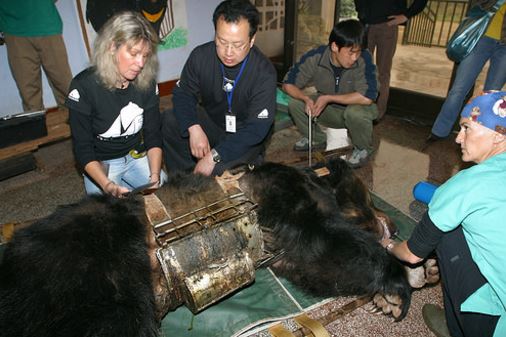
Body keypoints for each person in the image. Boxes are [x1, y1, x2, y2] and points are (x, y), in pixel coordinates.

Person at [383, 91, 506, 337]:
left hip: (497, 326)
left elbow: (412, 254)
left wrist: (387, 245)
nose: (458, 138)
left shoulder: (465, 184)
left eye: (466, 128)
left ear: (497, 134)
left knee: (445, 233)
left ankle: (459, 323)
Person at [162, 0, 277, 176]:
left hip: (244, 134)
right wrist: (193, 128)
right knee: (170, 121)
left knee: (221, 172)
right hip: (213, 123)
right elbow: (183, 93)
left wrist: (214, 157)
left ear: (252, 40)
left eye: (238, 45)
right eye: (222, 41)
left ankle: (241, 164)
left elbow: (256, 129)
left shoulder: (264, 72)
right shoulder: (201, 56)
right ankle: (185, 180)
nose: (228, 52)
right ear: (215, 33)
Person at [66, 11, 166, 197]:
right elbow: (83, 149)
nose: (141, 63)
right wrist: (107, 185)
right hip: (102, 162)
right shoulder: (83, 87)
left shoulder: (147, 82)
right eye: (134, 53)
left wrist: (154, 177)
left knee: (165, 194)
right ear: (112, 47)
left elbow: (153, 134)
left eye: (145, 55)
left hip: (137, 155)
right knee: (106, 214)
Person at [282, 19, 378, 168]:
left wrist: (329, 98)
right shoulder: (316, 56)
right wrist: (305, 98)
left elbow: (368, 97)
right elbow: (288, 83)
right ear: (334, 46)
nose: (354, 58)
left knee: (356, 113)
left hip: (354, 109)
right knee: (295, 103)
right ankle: (315, 138)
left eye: (357, 52)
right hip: (327, 111)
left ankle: (363, 148)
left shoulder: (364, 58)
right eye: (350, 52)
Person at [429, 0, 506, 142]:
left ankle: (477, 138)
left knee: (492, 97)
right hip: (481, 37)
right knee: (458, 89)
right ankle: (439, 131)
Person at [354, 0, 428, 121]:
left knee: (382, 72)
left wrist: (406, 15)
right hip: (365, 25)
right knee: (360, 69)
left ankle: (377, 114)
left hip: (387, 25)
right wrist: (361, 10)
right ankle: (357, 108)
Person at [0, 0, 72, 112]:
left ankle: (80, 126)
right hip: (13, 29)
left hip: (46, 22)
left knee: (65, 85)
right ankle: (38, 128)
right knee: (29, 96)